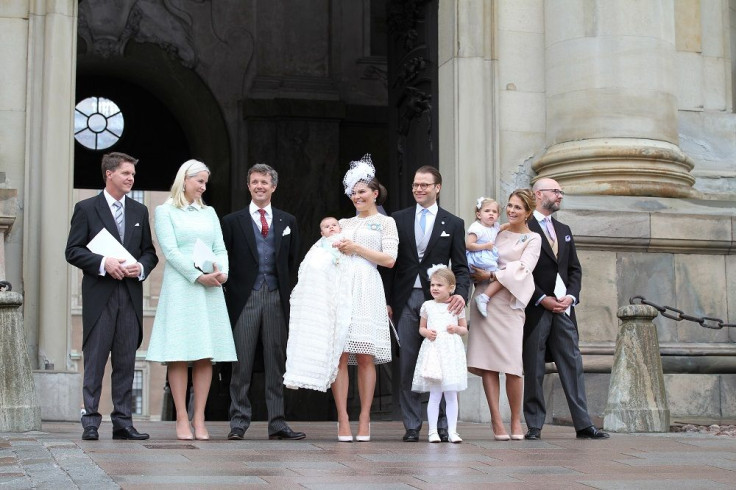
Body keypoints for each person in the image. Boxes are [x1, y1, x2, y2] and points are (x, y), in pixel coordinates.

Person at [65, 152, 159, 441]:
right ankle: (91, 421)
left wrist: (141, 266)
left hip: (130, 297)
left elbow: (150, 253)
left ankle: (123, 422)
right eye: (125, 173)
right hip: (99, 297)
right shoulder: (86, 208)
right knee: (94, 361)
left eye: (132, 174)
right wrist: (104, 263)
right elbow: (73, 250)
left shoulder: (139, 212)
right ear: (109, 174)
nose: (131, 178)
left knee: (126, 361)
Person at [146, 160, 237, 440]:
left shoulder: (209, 213)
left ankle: (200, 418)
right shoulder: (165, 211)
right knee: (179, 353)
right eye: (199, 181)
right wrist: (197, 276)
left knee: (204, 355)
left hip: (210, 289)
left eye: (205, 182)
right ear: (184, 180)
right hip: (182, 287)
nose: (203, 187)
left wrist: (222, 273)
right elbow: (170, 252)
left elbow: (219, 248)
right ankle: (182, 419)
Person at [382, 165, 470, 443]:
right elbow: (389, 265)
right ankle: (411, 424)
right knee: (409, 361)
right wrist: (386, 300)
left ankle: (443, 425)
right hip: (406, 297)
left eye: (424, 185)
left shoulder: (453, 223)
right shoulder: (398, 219)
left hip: (441, 304)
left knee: (442, 362)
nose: (419, 189)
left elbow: (462, 266)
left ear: (437, 188)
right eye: (415, 185)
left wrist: (461, 295)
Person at [221, 163, 305, 441]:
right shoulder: (232, 222)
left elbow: (293, 261)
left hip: (276, 297)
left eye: (264, 182)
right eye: (255, 182)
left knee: (276, 361)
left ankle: (277, 422)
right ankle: (238, 422)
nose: (259, 186)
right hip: (244, 298)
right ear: (248, 186)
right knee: (240, 363)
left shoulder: (287, 221)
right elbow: (225, 259)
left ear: (273, 187)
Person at [522, 178, 609, 440]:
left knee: (572, 363)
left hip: (564, 309)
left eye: (561, 191)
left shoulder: (564, 229)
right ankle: (534, 425)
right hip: (536, 309)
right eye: (555, 191)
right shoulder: (524, 227)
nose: (560, 195)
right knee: (534, 366)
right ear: (538, 195)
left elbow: (574, 269)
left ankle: (583, 424)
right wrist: (540, 298)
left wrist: (571, 296)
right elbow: (519, 272)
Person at [332, 154, 398, 443]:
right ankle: (343, 418)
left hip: (369, 286)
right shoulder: (343, 223)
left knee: (365, 355)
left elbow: (389, 259)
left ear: (375, 193)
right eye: (354, 192)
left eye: (363, 192)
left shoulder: (386, 223)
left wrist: (357, 248)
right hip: (343, 286)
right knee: (340, 355)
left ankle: (364, 417)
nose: (357, 196)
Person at [467, 188, 541, 440]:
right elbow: (475, 252)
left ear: (529, 212)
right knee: (488, 364)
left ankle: (516, 422)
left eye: (517, 207)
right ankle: (497, 422)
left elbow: (522, 269)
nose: (511, 211)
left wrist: (491, 275)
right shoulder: (496, 230)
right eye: (509, 205)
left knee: (512, 365)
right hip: (483, 301)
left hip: (509, 304)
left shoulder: (533, 239)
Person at [283, 217, 353, 392]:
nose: (331, 228)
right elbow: (310, 267)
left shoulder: (347, 239)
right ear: (321, 233)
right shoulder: (317, 247)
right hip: (321, 296)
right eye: (326, 227)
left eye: (334, 225)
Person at [411, 265, 467, 444]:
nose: (434, 288)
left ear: (451, 287)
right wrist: (426, 333)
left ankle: (452, 431)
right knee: (435, 394)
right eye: (432, 285)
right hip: (434, 351)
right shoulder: (427, 306)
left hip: (450, 351)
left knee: (451, 394)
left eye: (439, 285)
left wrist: (456, 328)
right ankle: (433, 431)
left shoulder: (457, 306)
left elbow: (464, 329)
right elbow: (421, 327)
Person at [466, 197, 502, 317]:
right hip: (477, 258)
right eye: (487, 211)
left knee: (495, 277)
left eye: (494, 211)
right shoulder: (477, 228)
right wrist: (485, 246)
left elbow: (505, 226)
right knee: (499, 275)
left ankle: (483, 297)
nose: (491, 213)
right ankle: (482, 298)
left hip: (486, 258)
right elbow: (469, 245)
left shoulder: (495, 227)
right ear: (479, 214)